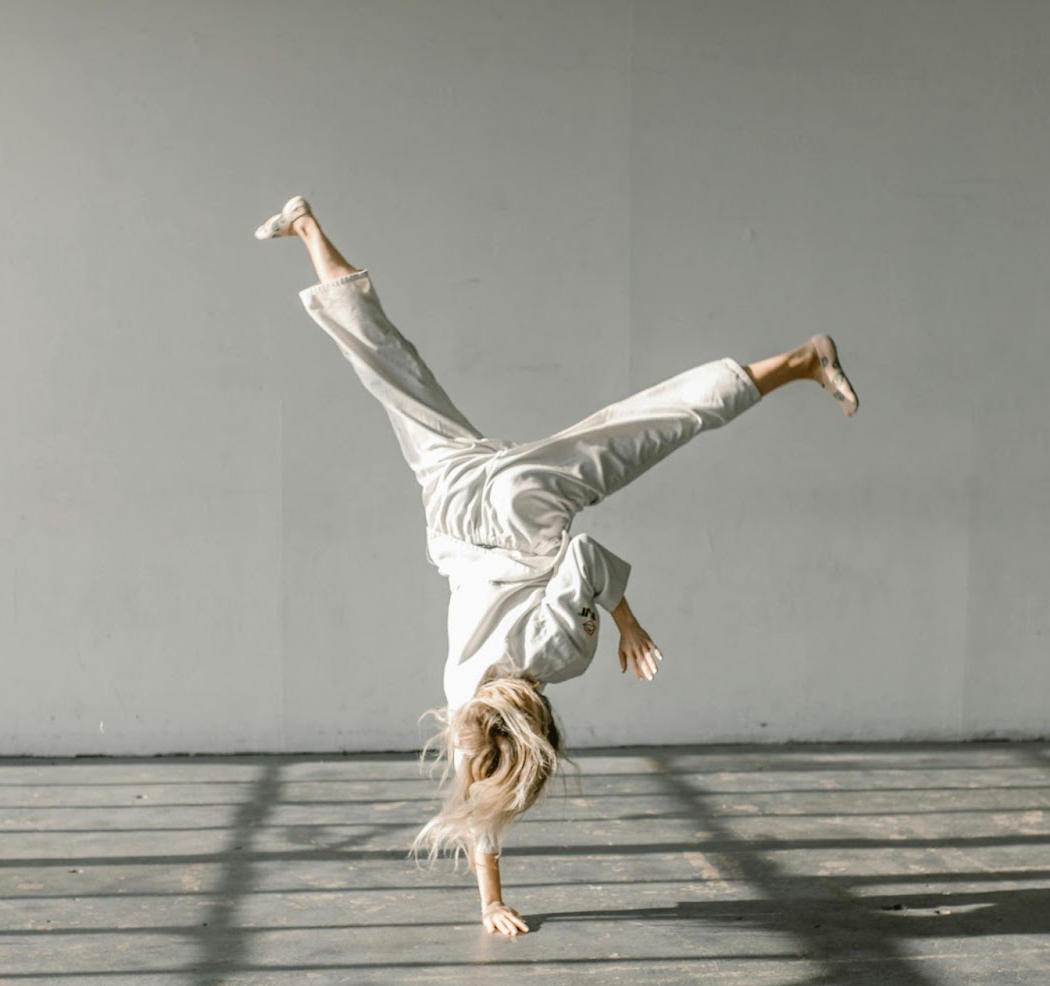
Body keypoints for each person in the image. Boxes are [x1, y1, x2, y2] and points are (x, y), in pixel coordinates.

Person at [256, 195, 859, 935]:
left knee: (650, 424)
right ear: (495, 734)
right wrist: (489, 900)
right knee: (389, 366)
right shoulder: (465, 696)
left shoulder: (549, 659)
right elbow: (476, 799)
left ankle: (801, 361)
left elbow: (582, 556)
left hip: (510, 513)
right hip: (458, 506)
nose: (471, 767)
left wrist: (628, 623)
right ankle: (308, 227)